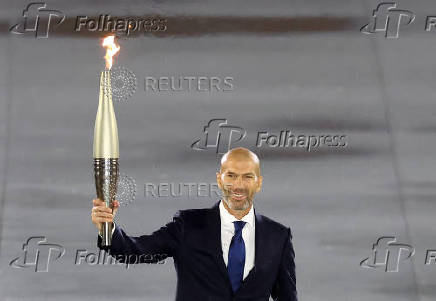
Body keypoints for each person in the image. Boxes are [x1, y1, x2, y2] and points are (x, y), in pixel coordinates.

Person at [91, 147, 297, 301]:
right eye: (231, 176)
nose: (238, 185)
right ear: (219, 179)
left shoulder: (278, 237)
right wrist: (107, 227)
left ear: (259, 182)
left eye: (247, 177)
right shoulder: (188, 226)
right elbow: (134, 251)